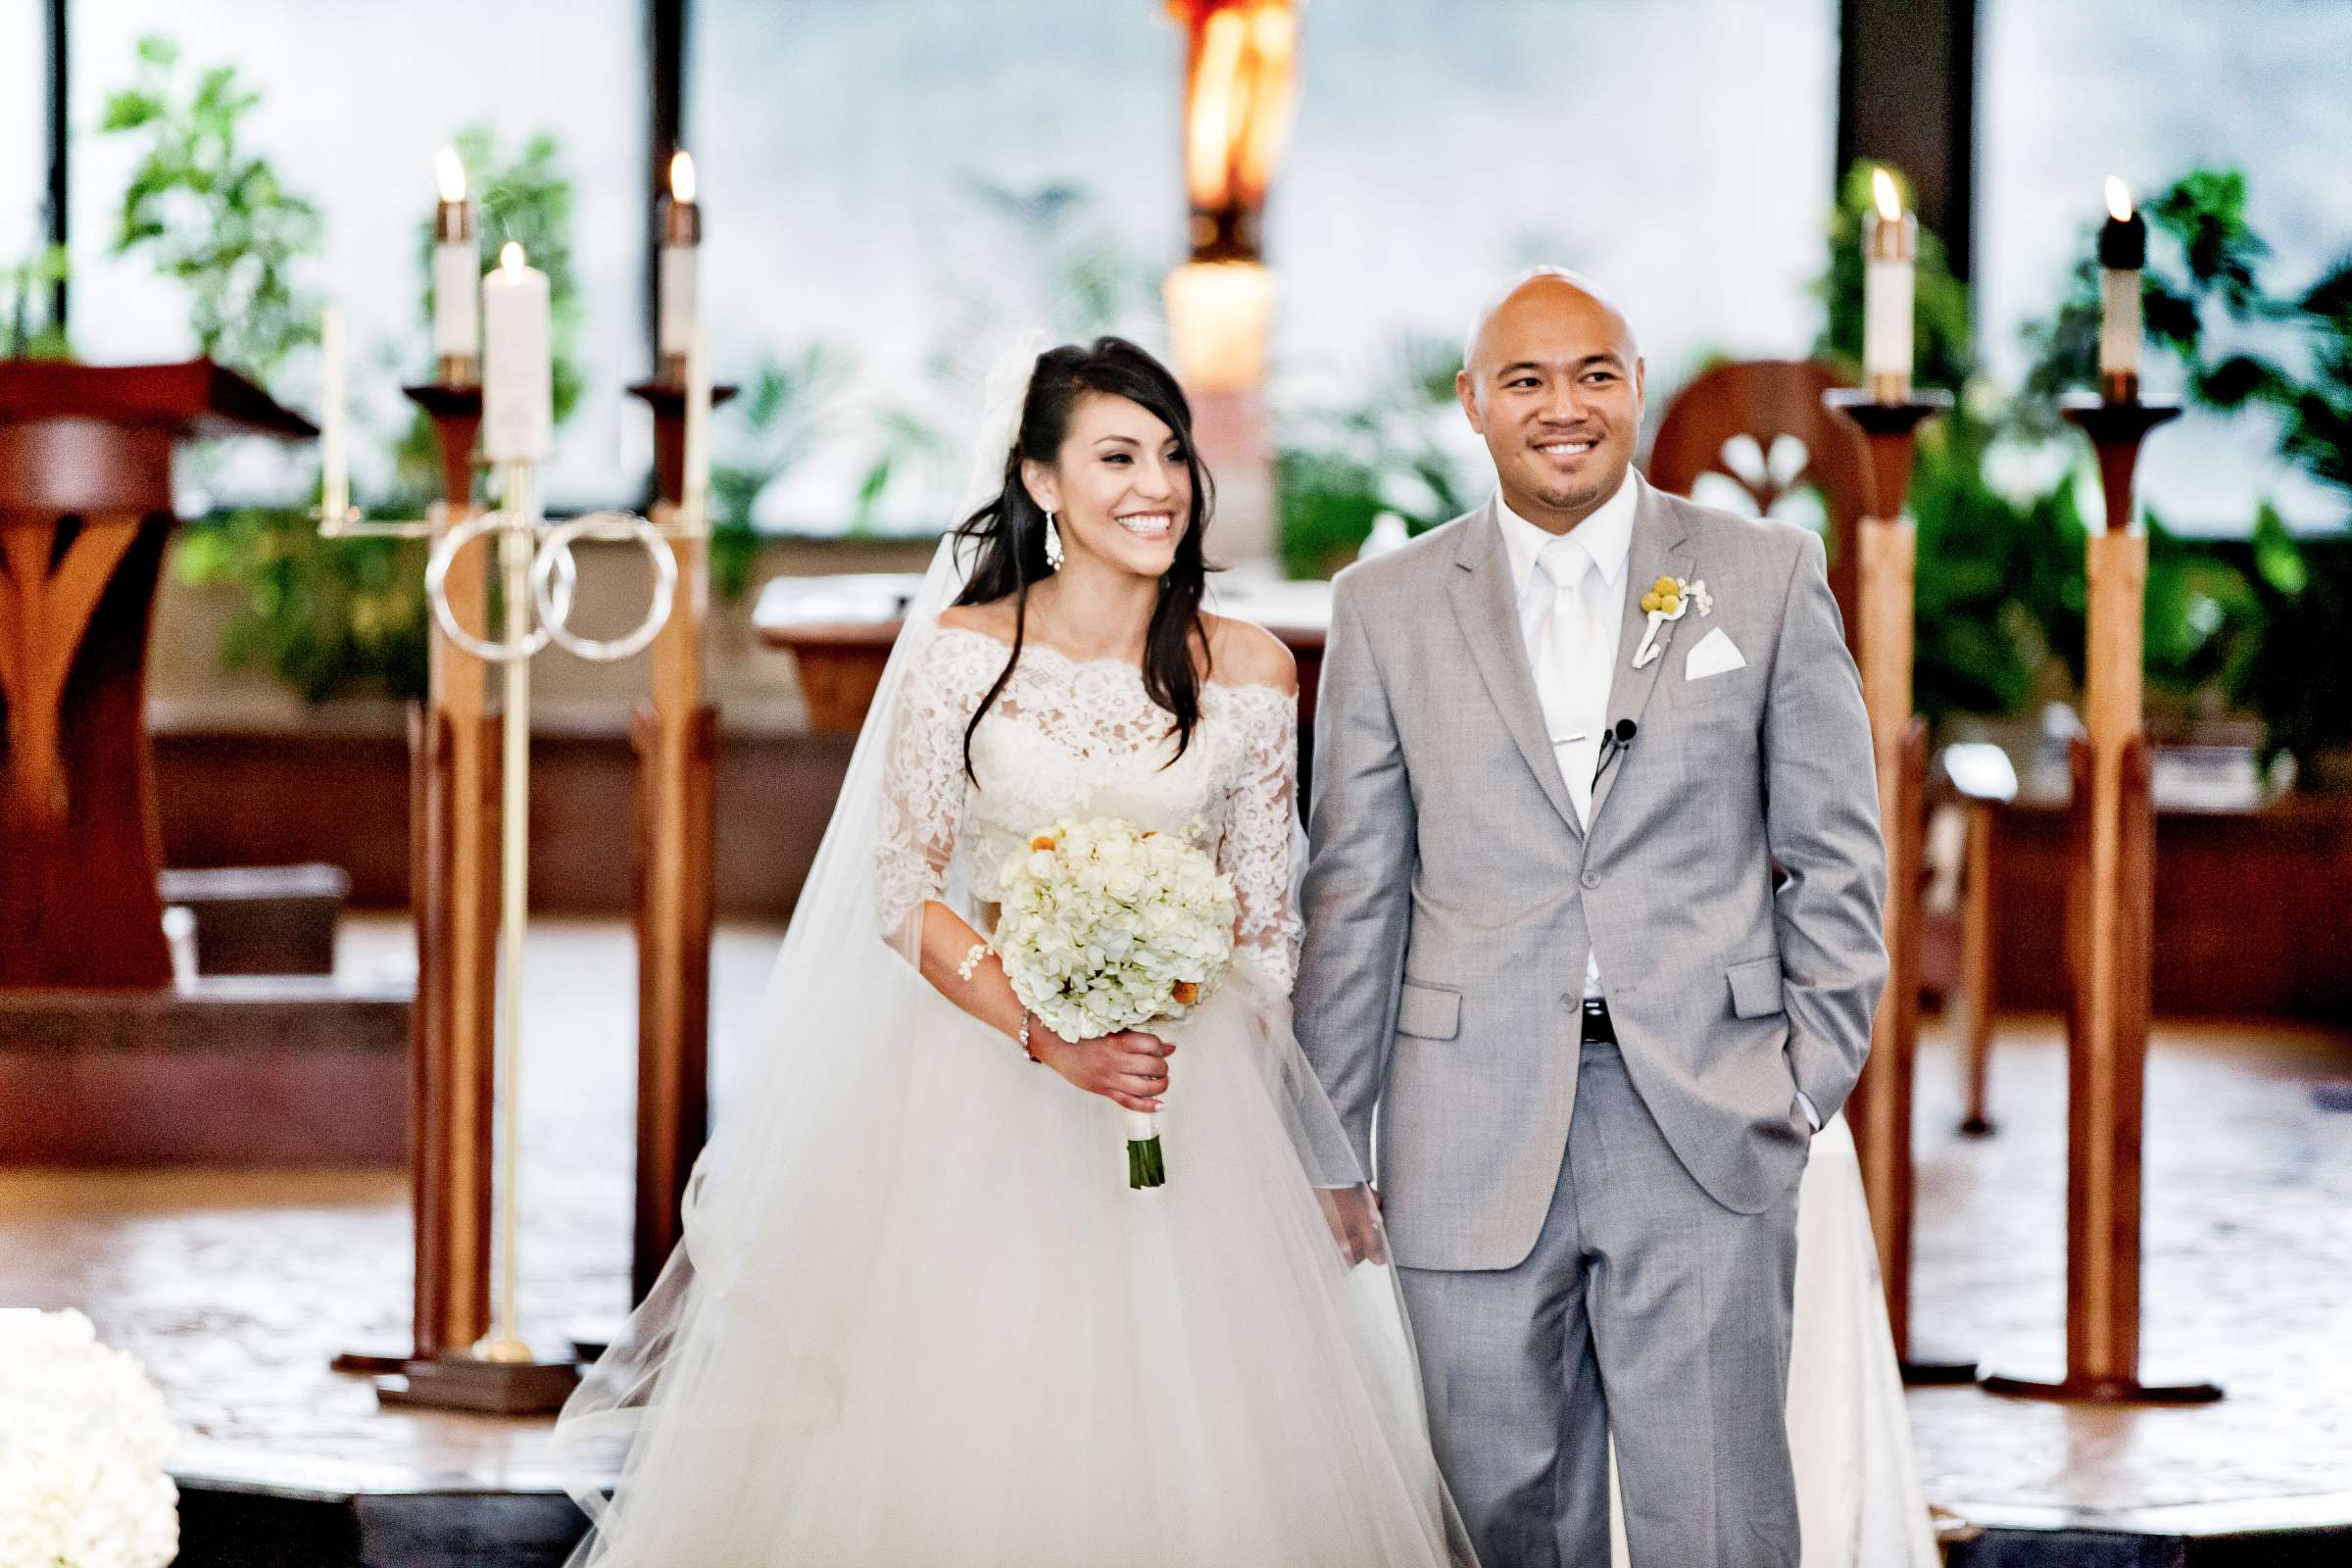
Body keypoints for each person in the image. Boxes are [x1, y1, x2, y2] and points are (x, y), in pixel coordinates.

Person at [554, 336, 1472, 1567]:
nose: (1156, 484)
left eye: (1170, 454)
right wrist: (1051, 1030)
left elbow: (1267, 928)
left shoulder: (1248, 668)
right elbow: (903, 891)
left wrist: (1179, 1008)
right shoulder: (960, 654)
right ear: (1042, 481)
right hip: (982, 1090)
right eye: (1116, 455)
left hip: (1187, 1100)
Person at [1297, 268, 1913, 1567]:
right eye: (1525, 378)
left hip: (1702, 1105)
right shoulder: (1385, 607)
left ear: (1636, 389)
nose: (1560, 406)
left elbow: (1838, 856)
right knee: (1496, 1510)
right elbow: (1354, 890)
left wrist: (1802, 1085)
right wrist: (1331, 1142)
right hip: (1462, 1121)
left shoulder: (1763, 572)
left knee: (1716, 1517)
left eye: (1592, 374)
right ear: (1472, 404)